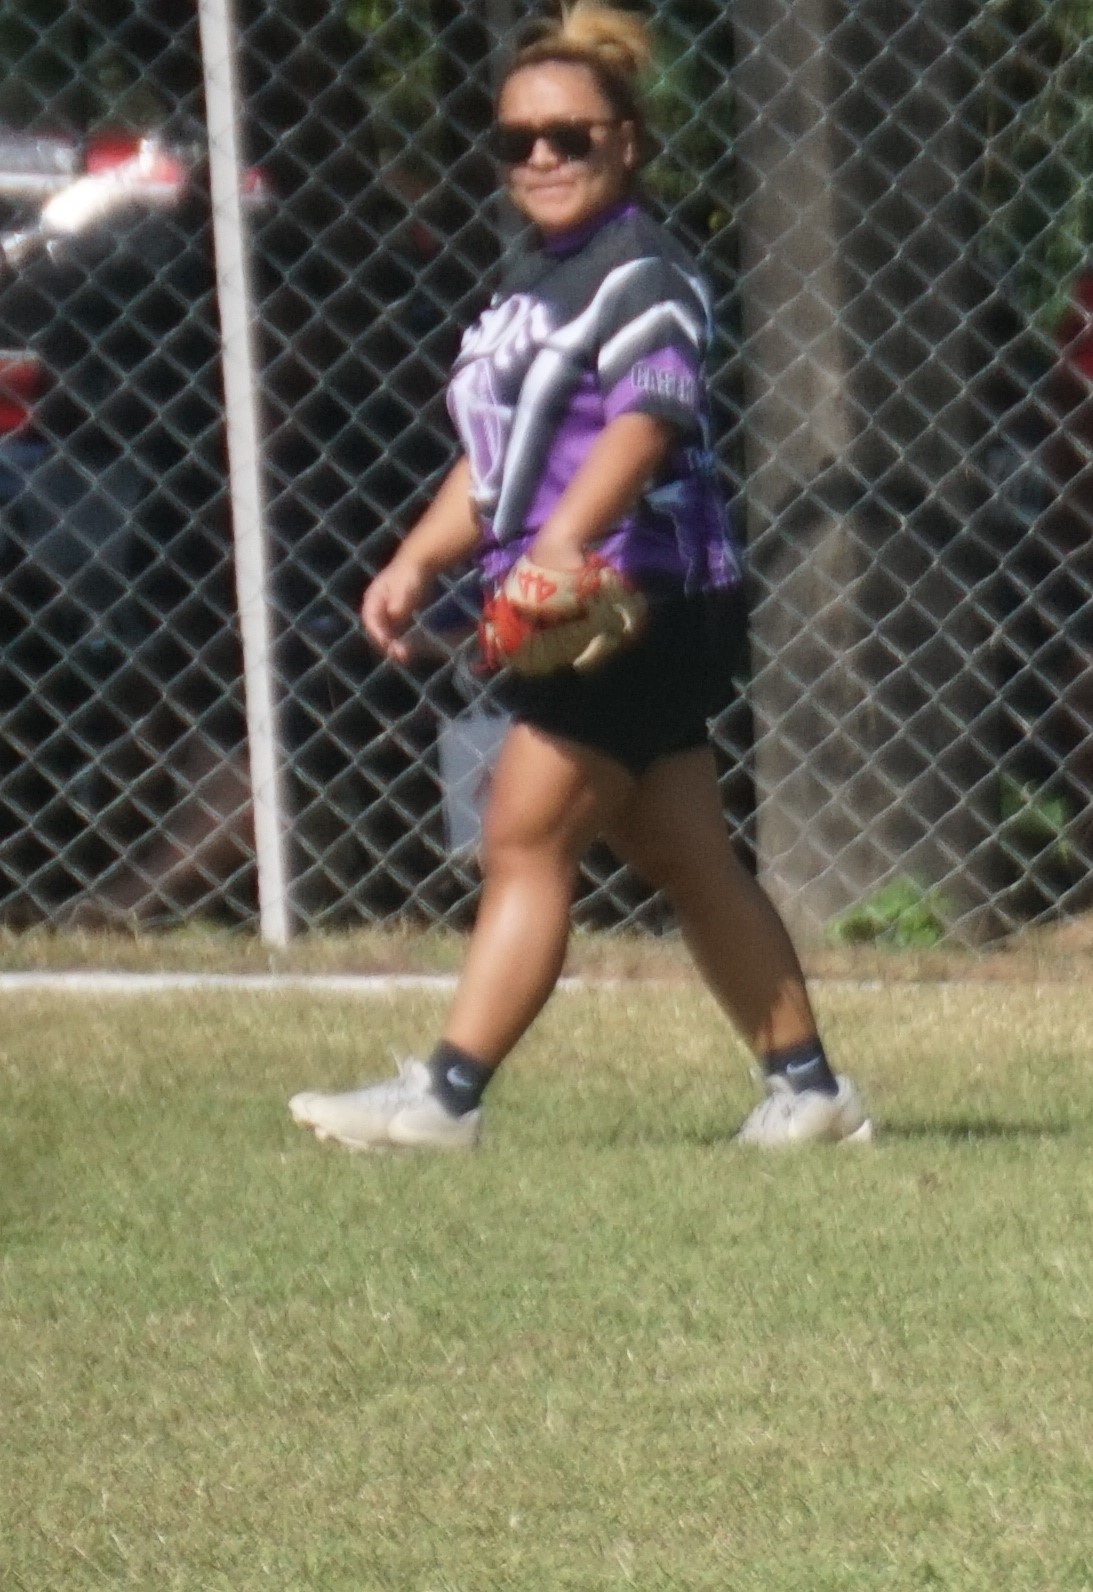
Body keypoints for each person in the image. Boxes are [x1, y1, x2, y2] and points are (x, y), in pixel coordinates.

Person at [294, 5, 864, 1152]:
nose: (543, 158)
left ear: (628, 143)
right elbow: (500, 458)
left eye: (572, 136)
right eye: (519, 141)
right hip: (602, 594)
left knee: (523, 835)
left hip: (638, 595)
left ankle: (447, 1097)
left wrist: (566, 540)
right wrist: (418, 554)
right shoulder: (536, 286)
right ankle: (810, 1090)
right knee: (683, 848)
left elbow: (649, 420)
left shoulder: (643, 272)